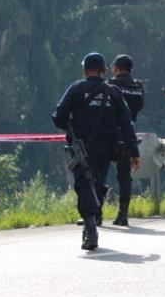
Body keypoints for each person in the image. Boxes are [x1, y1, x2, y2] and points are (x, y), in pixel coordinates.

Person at [52, 53, 140, 250]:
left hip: (81, 146)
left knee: (84, 183)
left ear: (85, 71)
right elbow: (127, 124)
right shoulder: (114, 92)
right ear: (104, 71)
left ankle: (91, 228)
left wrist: (72, 124)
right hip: (106, 149)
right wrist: (134, 151)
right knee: (96, 181)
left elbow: (58, 117)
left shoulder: (76, 89)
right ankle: (92, 220)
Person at [107, 54, 145, 226]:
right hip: (129, 134)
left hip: (109, 134)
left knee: (99, 173)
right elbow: (137, 109)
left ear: (116, 68)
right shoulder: (138, 87)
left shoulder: (111, 86)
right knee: (124, 175)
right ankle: (123, 214)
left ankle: (96, 214)